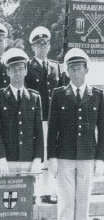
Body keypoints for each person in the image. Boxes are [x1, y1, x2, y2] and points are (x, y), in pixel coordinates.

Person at [48, 48, 103, 220]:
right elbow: (53, 128)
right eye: (71, 68)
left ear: (86, 69)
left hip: (88, 156)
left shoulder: (97, 95)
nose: (75, 72)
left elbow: (103, 129)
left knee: (83, 199)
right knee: (66, 199)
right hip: (64, 155)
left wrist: (100, 157)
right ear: (67, 71)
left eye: (79, 68)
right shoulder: (59, 94)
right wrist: (51, 156)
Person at [0, 48, 41, 220]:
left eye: (21, 69)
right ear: (7, 73)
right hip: (7, 159)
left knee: (23, 202)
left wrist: (38, 158)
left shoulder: (34, 98)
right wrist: (0, 158)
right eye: (13, 70)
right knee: (5, 202)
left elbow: (38, 130)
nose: (17, 73)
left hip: (27, 158)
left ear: (26, 70)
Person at [26, 26, 67, 205]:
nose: (42, 47)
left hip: (54, 118)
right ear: (33, 47)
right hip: (36, 117)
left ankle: (47, 191)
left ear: (49, 46)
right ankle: (33, 192)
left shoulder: (56, 67)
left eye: (45, 44)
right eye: (38, 44)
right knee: (36, 154)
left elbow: (63, 92)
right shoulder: (27, 67)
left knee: (51, 154)